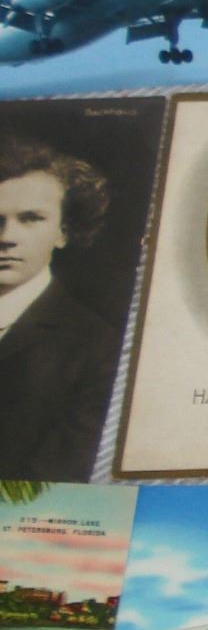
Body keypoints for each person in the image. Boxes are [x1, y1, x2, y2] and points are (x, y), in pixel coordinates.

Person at [0, 134, 121, 483]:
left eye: (30, 218)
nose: (7, 237)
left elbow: (52, 486)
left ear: (63, 231)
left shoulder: (98, 349)